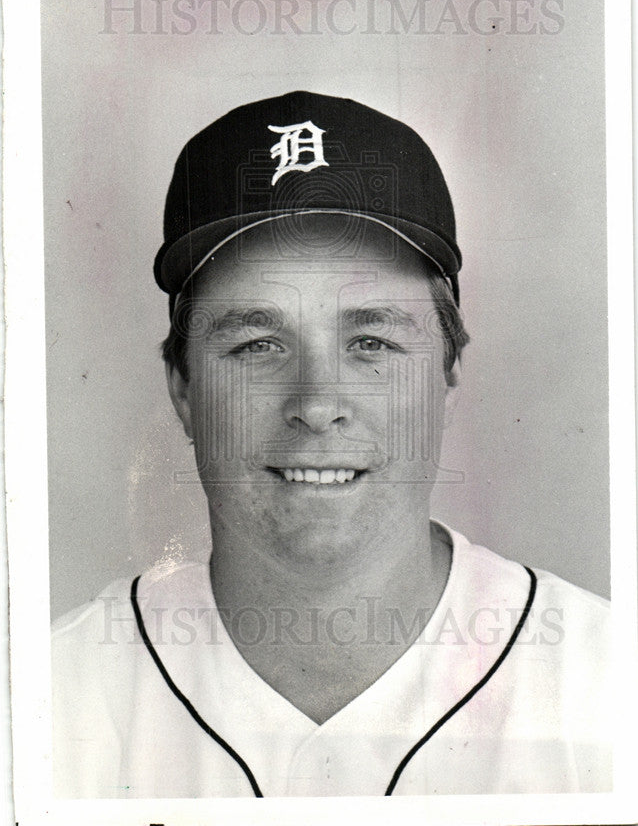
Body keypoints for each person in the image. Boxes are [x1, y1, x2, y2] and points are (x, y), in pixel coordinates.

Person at [52, 91, 611, 798]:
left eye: (371, 341)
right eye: (258, 344)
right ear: (183, 388)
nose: (317, 404)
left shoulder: (609, 687)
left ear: (448, 372)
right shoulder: (49, 701)